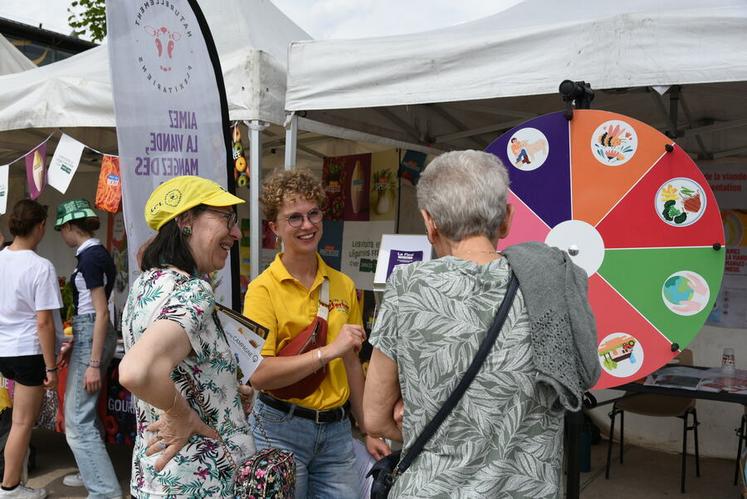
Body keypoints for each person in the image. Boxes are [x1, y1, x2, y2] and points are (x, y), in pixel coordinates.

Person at [363, 150, 601, 498]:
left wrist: (418, 417)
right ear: (506, 218)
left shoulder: (408, 286)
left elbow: (374, 418)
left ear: (429, 223)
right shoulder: (552, 285)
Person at [243, 169, 384, 498]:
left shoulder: (343, 285)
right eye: (294, 218)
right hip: (279, 429)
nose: (307, 225)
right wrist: (327, 351)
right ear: (274, 228)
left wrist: (369, 428)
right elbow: (260, 375)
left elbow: (352, 365)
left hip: (337, 433)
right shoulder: (262, 290)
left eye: (313, 214)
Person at [119, 176, 255, 497]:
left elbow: (175, 368)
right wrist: (182, 414)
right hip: (199, 482)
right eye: (226, 218)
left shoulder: (145, 285)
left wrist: (225, 392)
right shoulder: (193, 290)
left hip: (156, 477)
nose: (236, 232)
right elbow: (137, 371)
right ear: (185, 221)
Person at [54, 199, 121, 498]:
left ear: (70, 226)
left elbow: (100, 312)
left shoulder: (91, 257)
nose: (61, 235)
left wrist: (93, 363)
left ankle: (104, 491)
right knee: (86, 415)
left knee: (77, 423)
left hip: (92, 329)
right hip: (91, 332)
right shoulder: (96, 254)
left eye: (61, 229)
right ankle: (93, 472)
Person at [0, 200, 62, 499]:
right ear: (39, 227)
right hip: (27, 351)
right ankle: (10, 487)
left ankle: (15, 484)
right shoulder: (41, 267)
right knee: (22, 423)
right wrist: (51, 368)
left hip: (2, 349)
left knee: (14, 422)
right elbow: (45, 324)